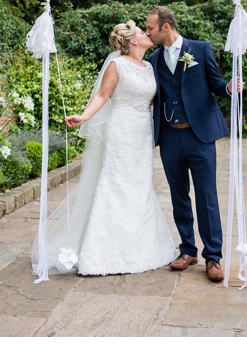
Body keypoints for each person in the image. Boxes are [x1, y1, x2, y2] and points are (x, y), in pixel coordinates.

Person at [33, 21, 175, 276]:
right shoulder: (116, 65)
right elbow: (102, 95)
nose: (146, 33)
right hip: (120, 130)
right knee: (116, 184)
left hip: (143, 133)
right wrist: (84, 117)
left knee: (140, 186)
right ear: (133, 41)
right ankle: (103, 252)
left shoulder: (150, 67)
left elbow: (154, 99)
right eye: (142, 32)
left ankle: (141, 245)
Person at [146, 5, 236, 283]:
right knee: (178, 195)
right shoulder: (153, 59)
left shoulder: (200, 48)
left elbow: (216, 83)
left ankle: (213, 257)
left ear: (166, 26)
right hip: (170, 136)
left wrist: (230, 89)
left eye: (150, 27)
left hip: (200, 135)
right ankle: (187, 250)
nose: (147, 32)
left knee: (207, 196)